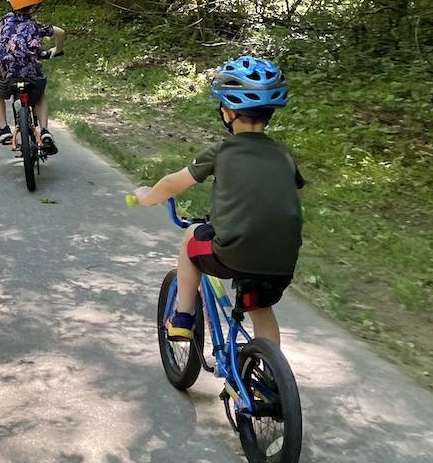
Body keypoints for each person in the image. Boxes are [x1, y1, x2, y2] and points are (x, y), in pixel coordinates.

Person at [130, 56, 304, 347]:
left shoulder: (222, 152)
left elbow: (173, 183)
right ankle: (272, 380)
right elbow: (296, 194)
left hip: (234, 253)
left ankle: (183, 317)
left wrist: (146, 196)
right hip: (282, 259)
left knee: (190, 238)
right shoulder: (284, 154)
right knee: (261, 310)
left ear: (227, 112)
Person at [0, 0, 65, 152]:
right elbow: (60, 32)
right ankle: (45, 130)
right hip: (32, 75)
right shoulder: (36, 25)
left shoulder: (3, 22)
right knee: (40, 94)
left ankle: (4, 128)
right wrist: (57, 49)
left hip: (6, 76)